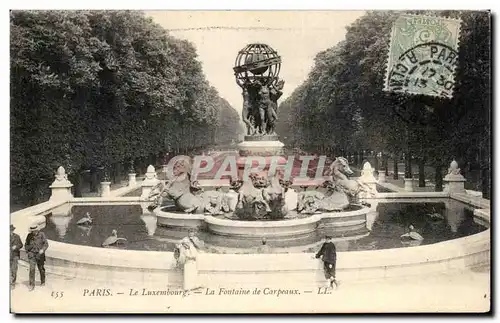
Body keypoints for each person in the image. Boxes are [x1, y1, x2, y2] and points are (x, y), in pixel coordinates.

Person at [25, 224, 49, 291]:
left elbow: (46, 244)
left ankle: (43, 281)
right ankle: (32, 284)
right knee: (32, 269)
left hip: (40, 255)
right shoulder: (29, 236)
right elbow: (26, 245)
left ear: (37, 230)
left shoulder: (42, 234)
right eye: (32, 231)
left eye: (34, 231)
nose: (33, 232)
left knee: (41, 269)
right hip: (32, 255)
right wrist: (28, 251)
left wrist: (42, 250)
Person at [10, 224, 23, 289]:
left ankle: (13, 283)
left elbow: (21, 245)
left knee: (14, 270)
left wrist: (16, 247)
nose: (10, 231)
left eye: (11, 230)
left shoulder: (17, 236)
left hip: (15, 255)